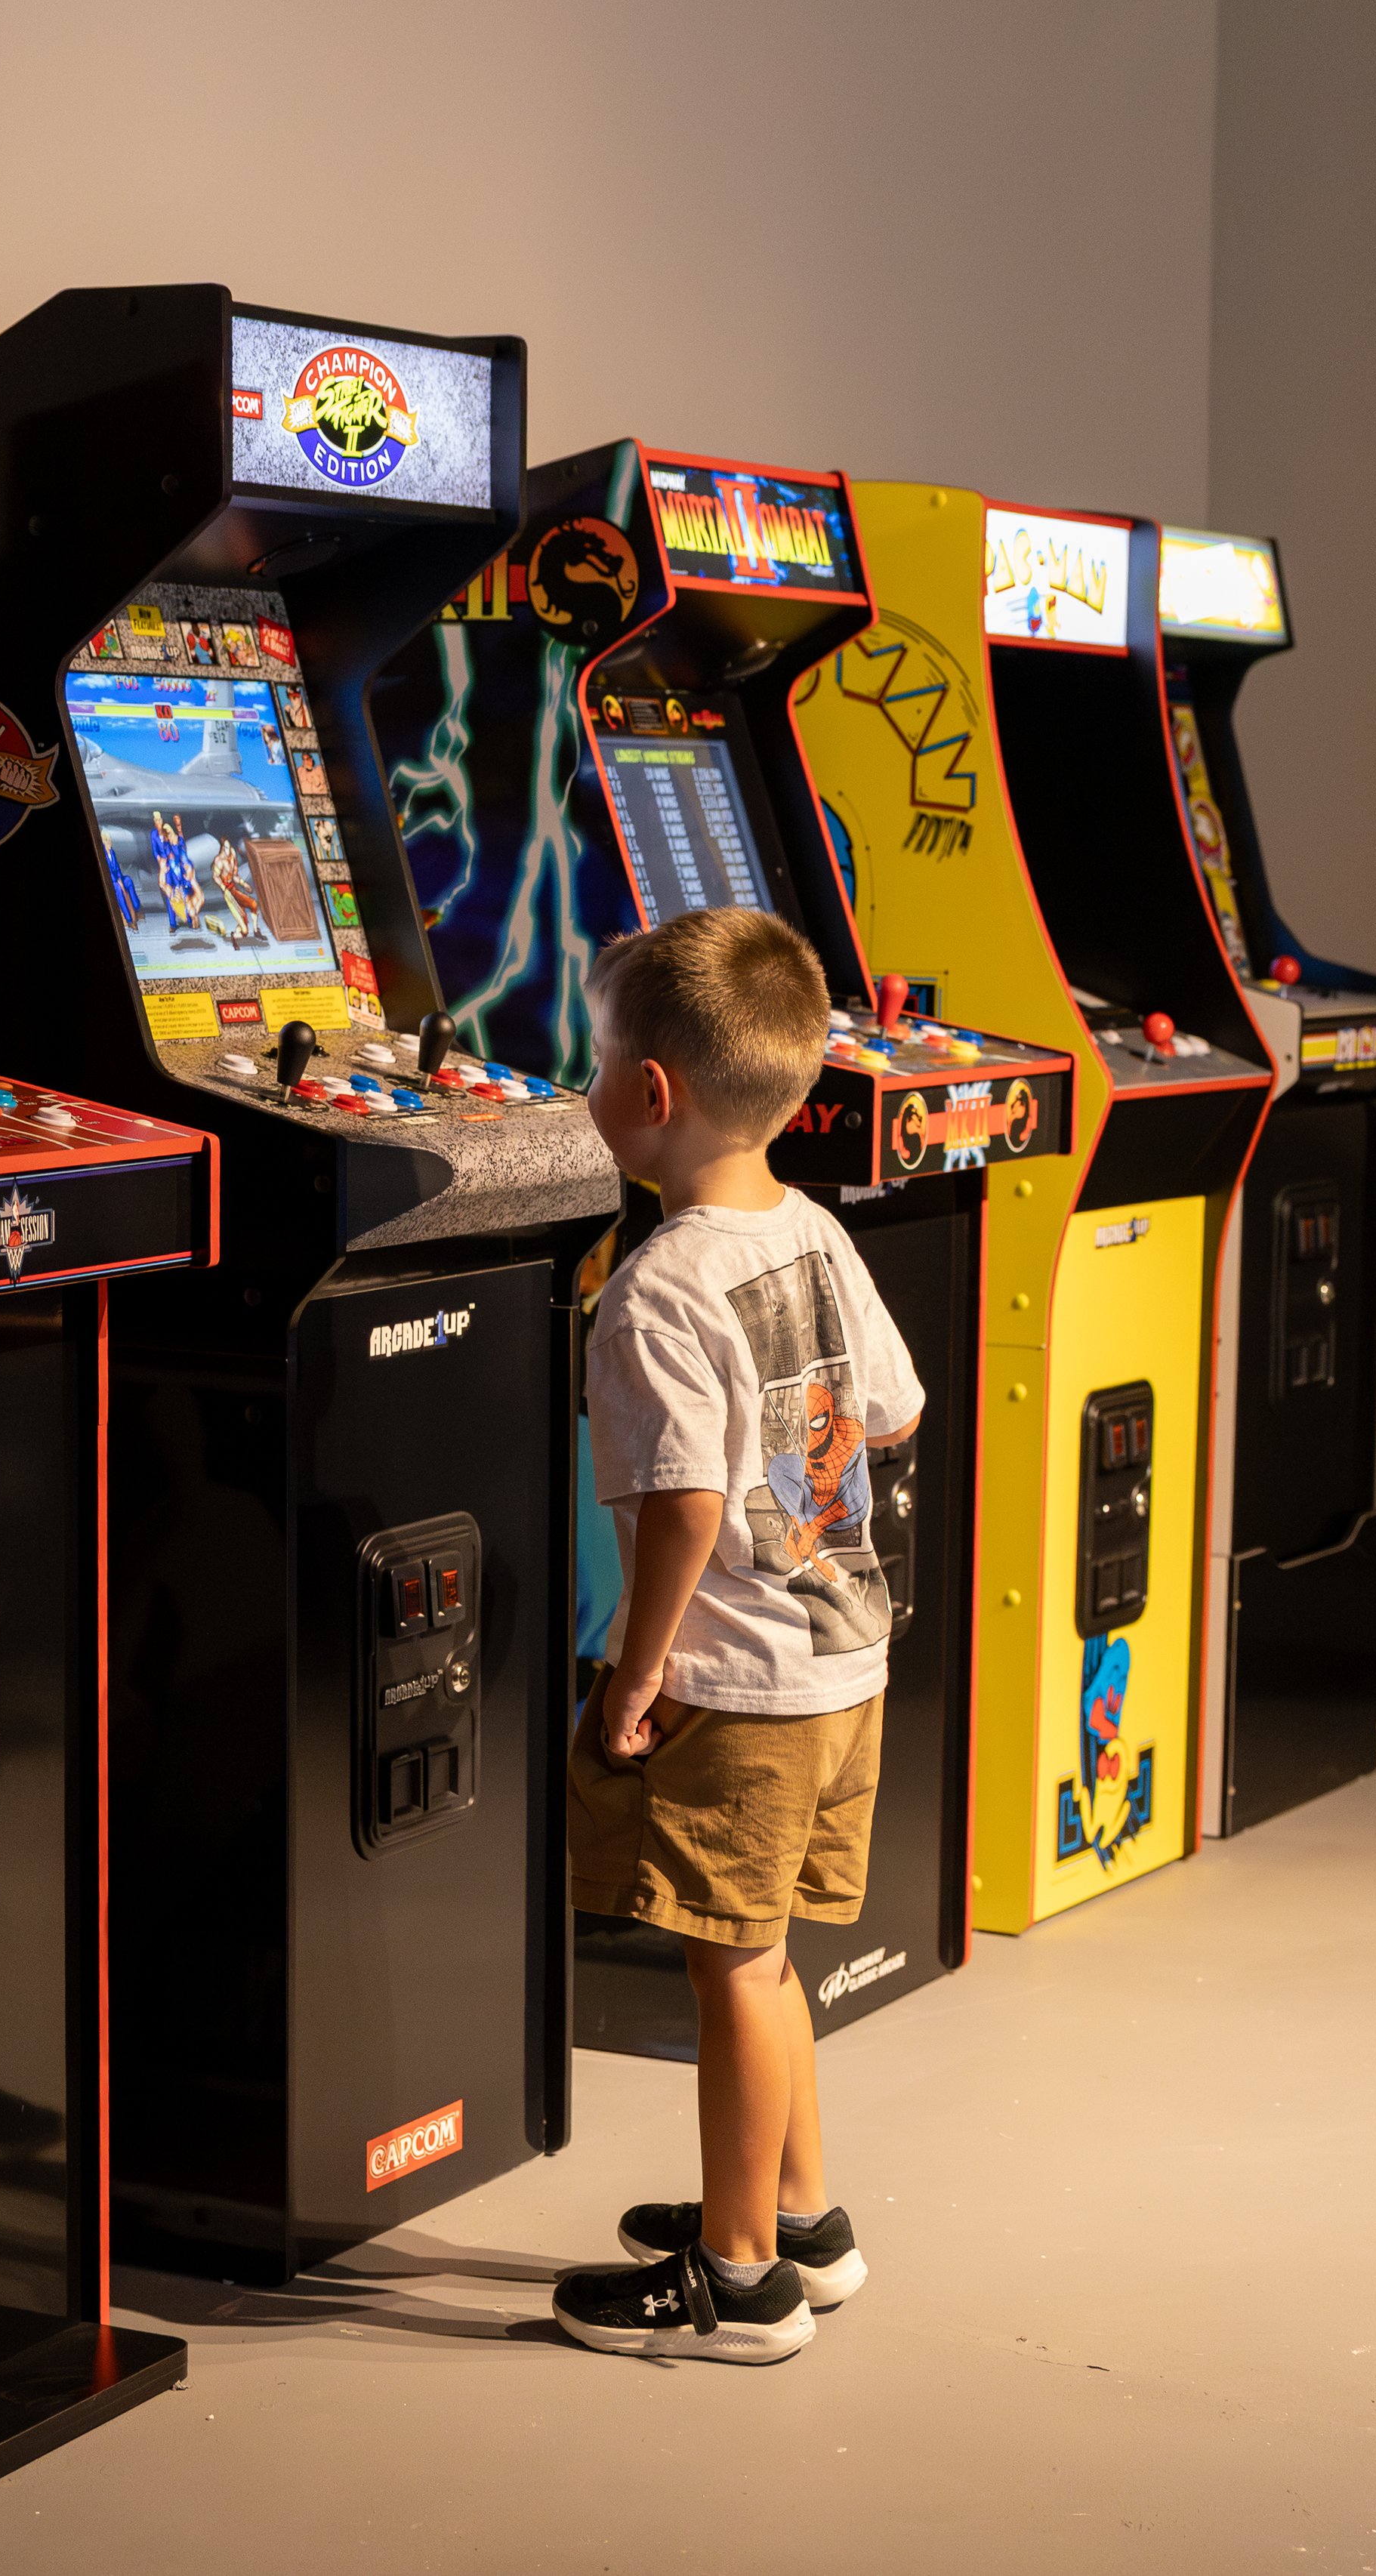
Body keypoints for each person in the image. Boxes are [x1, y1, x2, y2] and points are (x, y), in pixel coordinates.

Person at [554, 907, 923, 2365]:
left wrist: (635, 1674)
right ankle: (807, 2223)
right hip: (846, 1657)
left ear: (651, 1093)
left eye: (596, 1062)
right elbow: (890, 1408)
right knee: (768, 1961)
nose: (591, 1086)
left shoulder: (655, 1288)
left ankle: (739, 2277)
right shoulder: (816, 1229)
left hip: (745, 1685)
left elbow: (689, 1509)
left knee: (727, 1965)